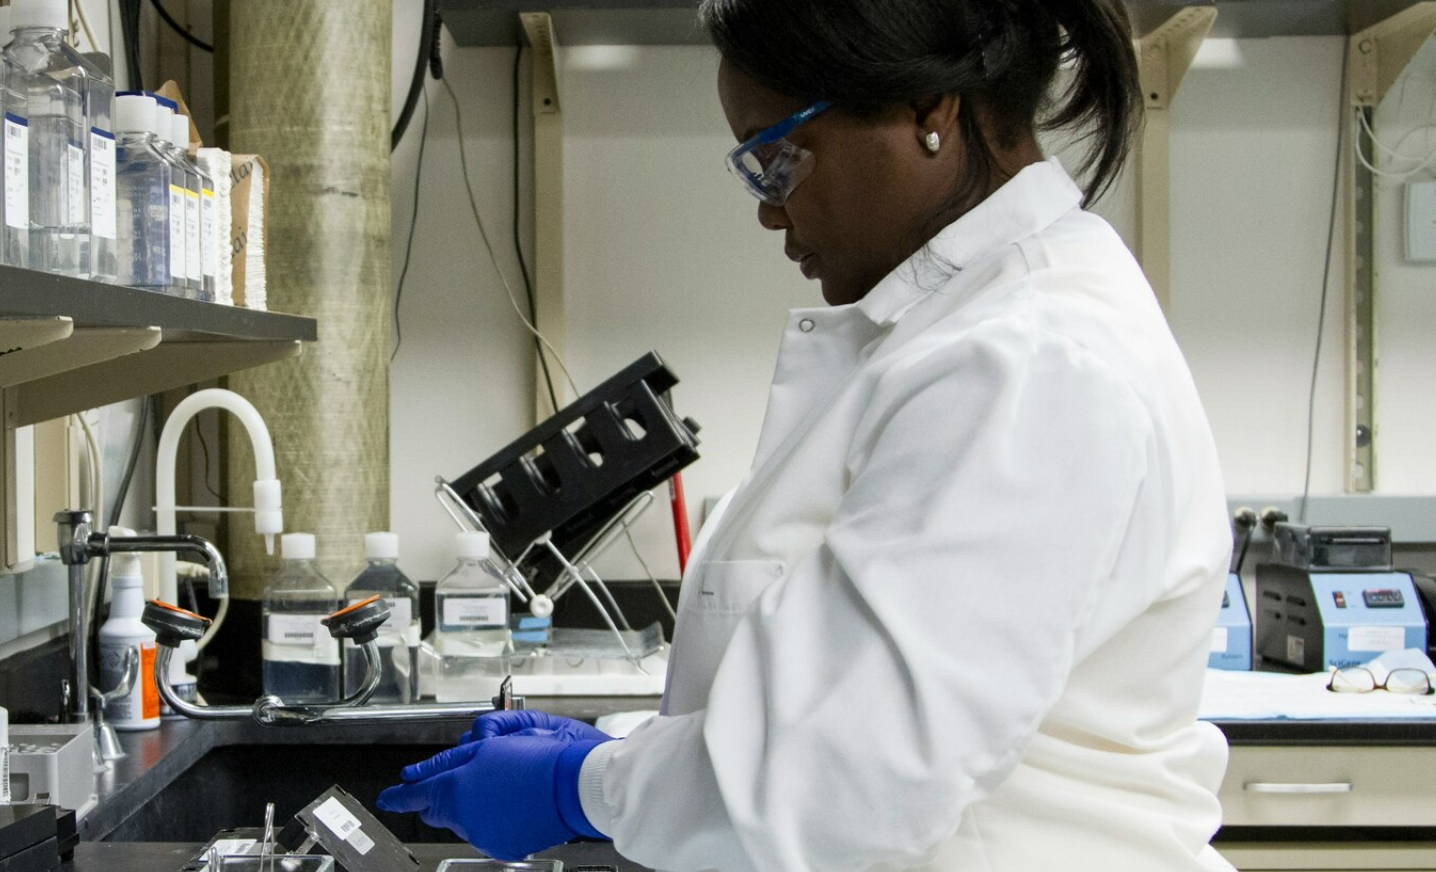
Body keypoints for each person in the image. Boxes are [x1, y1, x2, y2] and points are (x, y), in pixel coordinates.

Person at [376, 0, 1237, 870]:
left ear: (928, 111)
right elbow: (847, 687)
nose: (769, 211)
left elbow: (850, 777)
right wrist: (633, 753)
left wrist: (585, 784)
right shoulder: (960, 335)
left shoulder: (1028, 359)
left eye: (777, 158)